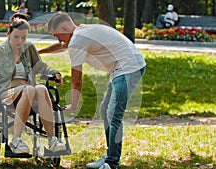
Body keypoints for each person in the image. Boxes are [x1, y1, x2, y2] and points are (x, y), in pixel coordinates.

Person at [44, 12, 146, 169]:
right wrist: (38, 52)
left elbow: (76, 81)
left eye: (57, 35)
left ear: (64, 27)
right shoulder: (81, 32)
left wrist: (74, 105)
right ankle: (110, 156)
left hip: (128, 67)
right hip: (120, 67)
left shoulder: (77, 40)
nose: (57, 39)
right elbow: (62, 45)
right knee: (106, 111)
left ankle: (112, 163)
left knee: (113, 114)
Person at [0, 17, 66, 154]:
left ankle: (52, 140)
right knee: (30, 89)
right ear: (8, 34)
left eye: (23, 38)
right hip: (6, 92)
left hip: (28, 93)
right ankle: (16, 140)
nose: (20, 41)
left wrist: (54, 73)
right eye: (16, 37)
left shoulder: (28, 48)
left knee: (41, 88)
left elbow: (40, 66)